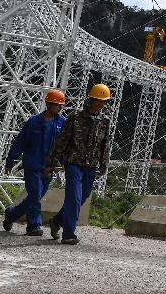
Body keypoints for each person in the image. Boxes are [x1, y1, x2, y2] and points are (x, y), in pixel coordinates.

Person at [45, 83, 112, 245]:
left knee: (83, 196)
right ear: (91, 99)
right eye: (97, 100)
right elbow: (61, 141)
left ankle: (57, 221)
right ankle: (69, 234)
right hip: (73, 163)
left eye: (103, 101)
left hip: (91, 166)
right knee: (74, 197)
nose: (100, 104)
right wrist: (52, 161)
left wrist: (103, 165)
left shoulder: (104, 121)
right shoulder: (75, 118)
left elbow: (105, 144)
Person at [2, 89, 67, 236]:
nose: (60, 108)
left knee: (34, 198)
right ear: (49, 104)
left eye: (61, 105)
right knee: (35, 195)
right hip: (33, 166)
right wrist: (10, 161)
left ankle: (11, 214)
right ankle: (34, 225)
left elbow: (64, 146)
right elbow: (20, 142)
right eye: (57, 105)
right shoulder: (33, 122)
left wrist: (63, 163)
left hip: (48, 168)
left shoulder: (62, 123)